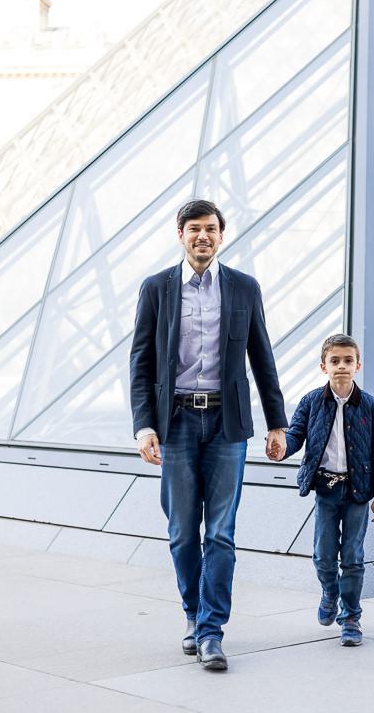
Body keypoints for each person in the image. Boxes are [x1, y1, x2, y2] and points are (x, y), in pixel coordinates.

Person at [129, 199, 288, 672]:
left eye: (211, 230)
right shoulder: (156, 288)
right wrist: (144, 425)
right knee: (181, 533)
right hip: (175, 422)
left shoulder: (243, 287)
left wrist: (276, 423)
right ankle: (193, 615)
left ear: (222, 235)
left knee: (220, 533)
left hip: (227, 425)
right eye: (194, 229)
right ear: (180, 233)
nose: (203, 237)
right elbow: (140, 362)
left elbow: (262, 356)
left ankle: (212, 631)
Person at [271, 333, 374, 647]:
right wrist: (282, 447)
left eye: (347, 361)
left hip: (358, 491)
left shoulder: (369, 405)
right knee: (323, 556)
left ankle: (351, 617)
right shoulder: (311, 401)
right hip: (325, 488)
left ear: (358, 365)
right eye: (334, 361)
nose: (341, 366)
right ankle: (330, 591)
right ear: (323, 366)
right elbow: (295, 435)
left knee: (352, 556)